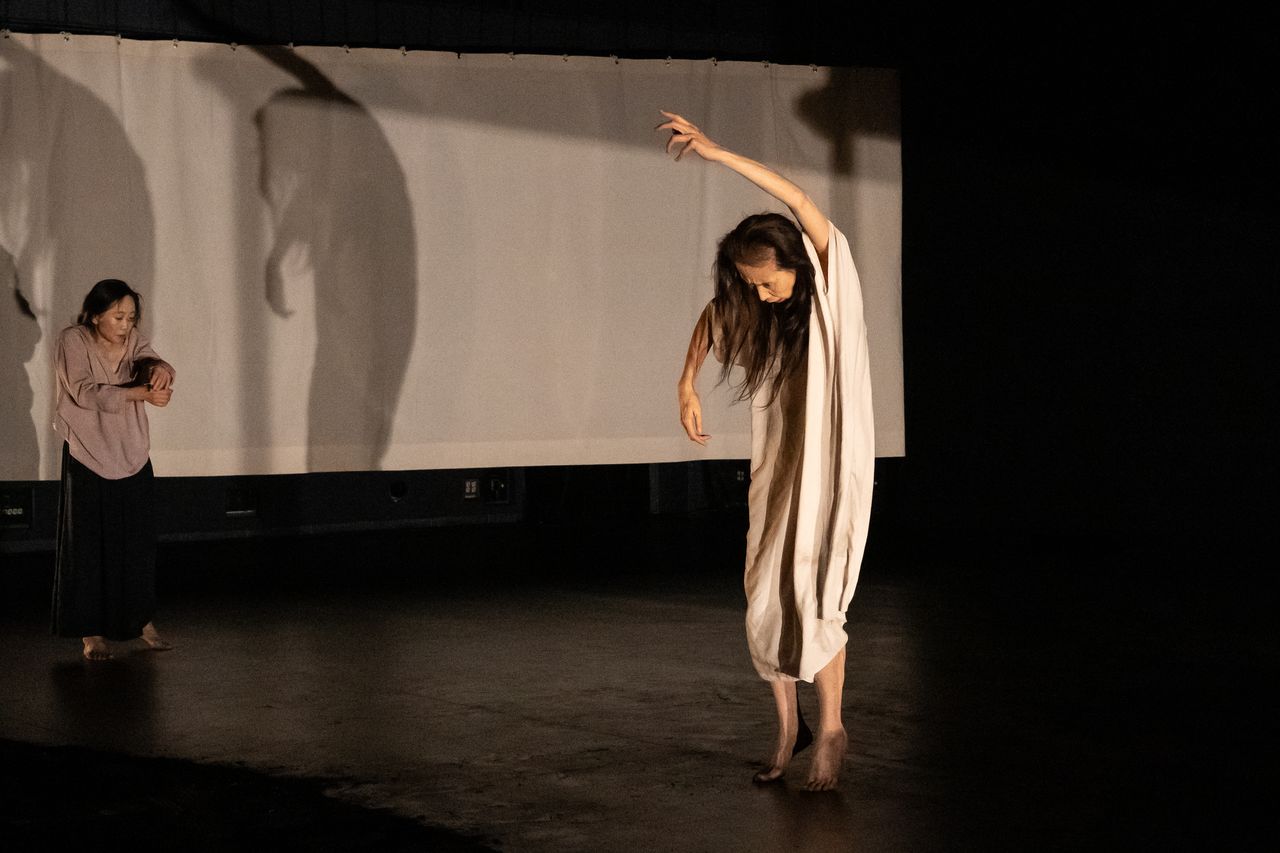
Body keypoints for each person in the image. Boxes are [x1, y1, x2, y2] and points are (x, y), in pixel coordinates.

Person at [660, 111, 875, 790]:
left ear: (794, 262)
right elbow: (715, 313)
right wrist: (685, 380)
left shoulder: (830, 283)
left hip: (829, 466)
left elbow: (802, 203)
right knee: (764, 597)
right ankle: (789, 726)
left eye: (768, 279)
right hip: (780, 467)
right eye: (753, 283)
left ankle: (832, 727)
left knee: (815, 595)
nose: (760, 291)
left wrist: (720, 154)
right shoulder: (762, 307)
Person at [52, 279, 176, 661]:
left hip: (130, 450)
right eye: (118, 316)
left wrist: (161, 371)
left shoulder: (133, 339)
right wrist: (139, 394)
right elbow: (83, 390)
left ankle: (141, 621)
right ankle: (91, 632)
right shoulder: (74, 339)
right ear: (95, 315)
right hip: (89, 451)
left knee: (137, 542)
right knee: (88, 545)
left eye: (131, 317)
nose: (125, 324)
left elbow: (152, 359)